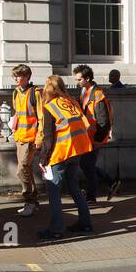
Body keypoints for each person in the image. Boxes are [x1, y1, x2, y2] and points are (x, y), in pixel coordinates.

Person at [34, 75, 94, 241]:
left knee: (54, 192)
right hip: (76, 151)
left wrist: (42, 159)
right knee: (74, 187)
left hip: (59, 154)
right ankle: (85, 222)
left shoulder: (50, 106)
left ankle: (56, 229)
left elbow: (48, 137)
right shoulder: (72, 102)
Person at [73, 64, 120, 202]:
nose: (77, 82)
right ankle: (110, 182)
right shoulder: (84, 92)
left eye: (79, 80)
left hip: (94, 138)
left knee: (87, 165)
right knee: (87, 165)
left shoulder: (98, 95)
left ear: (87, 79)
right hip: (87, 136)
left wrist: (98, 141)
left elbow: (103, 121)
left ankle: (91, 196)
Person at [10, 64, 42, 217]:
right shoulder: (16, 93)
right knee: (26, 168)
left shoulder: (35, 93)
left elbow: (41, 117)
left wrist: (39, 137)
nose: (16, 79)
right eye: (15, 76)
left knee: (21, 169)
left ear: (27, 76)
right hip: (19, 137)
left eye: (19, 76)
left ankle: (29, 200)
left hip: (30, 137)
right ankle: (33, 201)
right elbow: (18, 113)